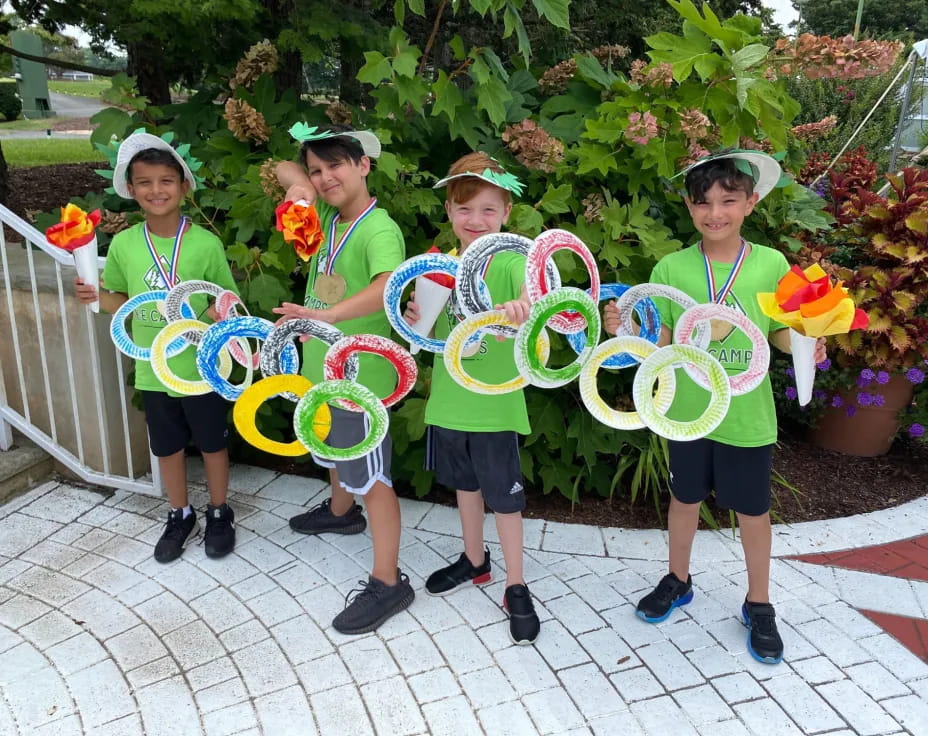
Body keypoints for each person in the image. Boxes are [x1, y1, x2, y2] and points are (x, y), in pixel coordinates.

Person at [605, 150, 826, 664]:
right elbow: (658, 338)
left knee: (752, 510)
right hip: (686, 411)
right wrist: (625, 330)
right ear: (689, 207)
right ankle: (678, 579)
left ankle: (759, 601)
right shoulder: (671, 266)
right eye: (703, 203)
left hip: (746, 413)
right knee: (684, 499)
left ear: (751, 203)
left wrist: (806, 341)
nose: (715, 213)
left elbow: (779, 330)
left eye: (728, 201)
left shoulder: (771, 263)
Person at [273, 124, 412, 635]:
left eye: (337, 165)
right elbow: (282, 170)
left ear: (364, 166)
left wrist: (327, 316)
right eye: (317, 168)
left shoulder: (379, 229)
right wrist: (301, 187)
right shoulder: (327, 217)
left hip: (361, 379)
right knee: (333, 450)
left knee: (373, 478)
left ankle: (389, 580)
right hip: (323, 372)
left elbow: (387, 287)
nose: (326, 176)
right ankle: (339, 511)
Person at [74, 132, 237, 563]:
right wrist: (95, 297)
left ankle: (219, 511)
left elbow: (227, 302)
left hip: (200, 368)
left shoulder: (205, 243)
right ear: (130, 189)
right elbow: (120, 302)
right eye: (144, 182)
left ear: (184, 187)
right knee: (166, 447)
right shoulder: (126, 244)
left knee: (212, 444)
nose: (156, 190)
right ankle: (179, 513)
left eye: (166, 180)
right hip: (153, 370)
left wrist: (216, 320)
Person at [404, 152, 541, 645]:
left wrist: (525, 310)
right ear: (449, 212)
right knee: (464, 486)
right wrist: (417, 312)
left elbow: (540, 309)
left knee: (504, 499)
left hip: (495, 405)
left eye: (488, 209)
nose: (476, 220)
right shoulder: (441, 266)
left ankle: (516, 583)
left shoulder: (512, 261)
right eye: (465, 210)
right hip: (450, 402)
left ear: (506, 213)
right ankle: (475, 560)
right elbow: (424, 332)